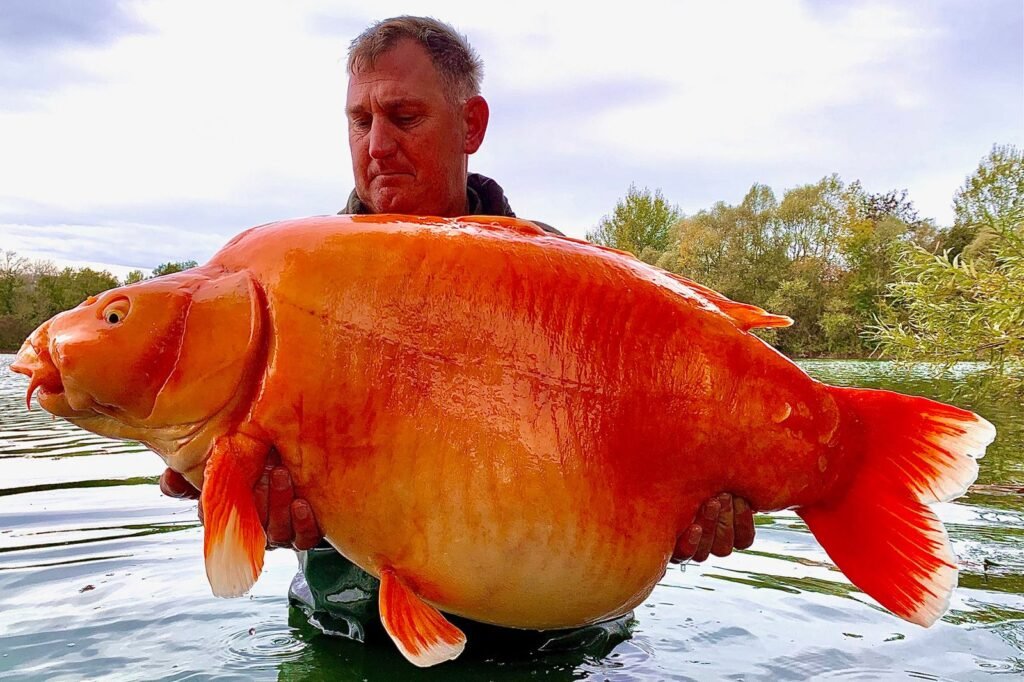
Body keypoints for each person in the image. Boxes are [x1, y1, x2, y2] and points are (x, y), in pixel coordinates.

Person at [160, 15, 755, 654]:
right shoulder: (286, 287)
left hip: (552, 643)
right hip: (347, 633)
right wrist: (233, 498)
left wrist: (697, 511)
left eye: (404, 117)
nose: (377, 145)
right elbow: (218, 466)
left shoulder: (571, 285)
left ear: (471, 125)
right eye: (360, 121)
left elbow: (661, 452)